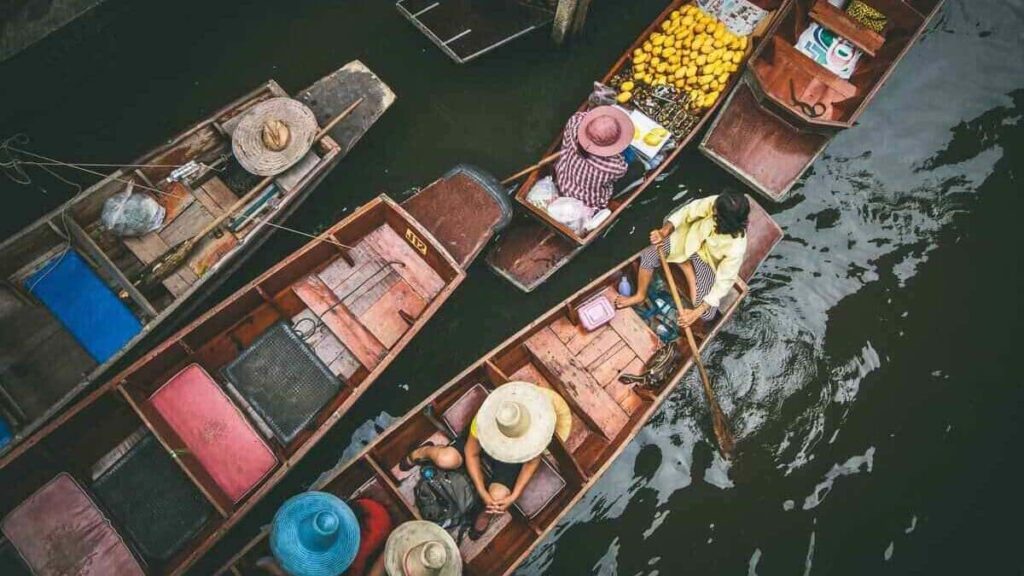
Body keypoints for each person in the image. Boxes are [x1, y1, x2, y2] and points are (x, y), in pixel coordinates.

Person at [400, 381, 572, 539]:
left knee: (498, 498)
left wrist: (514, 495)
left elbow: (531, 462)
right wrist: (482, 490)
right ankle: (421, 452)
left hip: (511, 459)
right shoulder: (488, 418)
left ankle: (485, 514)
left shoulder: (537, 432)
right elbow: (471, 452)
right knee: (446, 459)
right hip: (485, 441)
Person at [616, 193, 750, 327]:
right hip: (687, 240)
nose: (713, 208)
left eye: (716, 212)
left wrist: (696, 313)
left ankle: (687, 269)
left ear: (724, 221)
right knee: (649, 255)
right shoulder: (717, 202)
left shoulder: (736, 248)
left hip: (705, 263)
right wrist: (664, 231)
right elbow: (688, 211)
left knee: (707, 314)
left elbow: (725, 281)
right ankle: (640, 295)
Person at [553, 105, 632, 209]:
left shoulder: (574, 122)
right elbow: (621, 171)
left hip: (563, 180)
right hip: (588, 200)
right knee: (636, 166)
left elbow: (582, 116)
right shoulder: (615, 167)